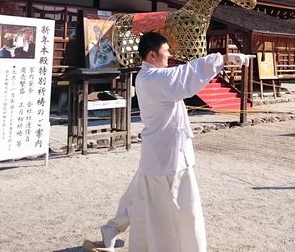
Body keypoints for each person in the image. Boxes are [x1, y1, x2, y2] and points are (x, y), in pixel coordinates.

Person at [89, 32, 249, 252]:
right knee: (181, 205)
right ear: (153, 55)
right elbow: (187, 73)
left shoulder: (147, 77)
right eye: (166, 52)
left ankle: (110, 233)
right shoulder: (156, 78)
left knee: (138, 196)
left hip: (157, 151)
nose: (170, 55)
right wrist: (224, 58)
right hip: (171, 154)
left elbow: (182, 75)